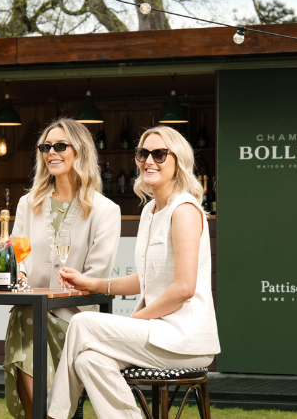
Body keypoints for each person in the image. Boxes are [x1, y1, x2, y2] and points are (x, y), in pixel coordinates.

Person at [47, 125, 220, 419]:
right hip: (158, 334)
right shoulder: (150, 210)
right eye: (143, 153)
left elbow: (184, 289)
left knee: (82, 323)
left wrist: (136, 320)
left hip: (185, 338)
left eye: (159, 154)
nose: (149, 160)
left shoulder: (185, 210)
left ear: (178, 161)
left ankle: (53, 415)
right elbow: (147, 279)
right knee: (89, 360)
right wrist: (91, 282)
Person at [4, 118, 121, 418]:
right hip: (32, 310)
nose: (51, 153)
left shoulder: (105, 210)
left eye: (59, 146)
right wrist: (19, 273)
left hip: (75, 317)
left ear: (79, 151)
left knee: (25, 317)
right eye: (45, 147)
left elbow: (96, 276)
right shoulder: (28, 203)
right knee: (25, 314)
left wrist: (72, 283)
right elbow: (17, 256)